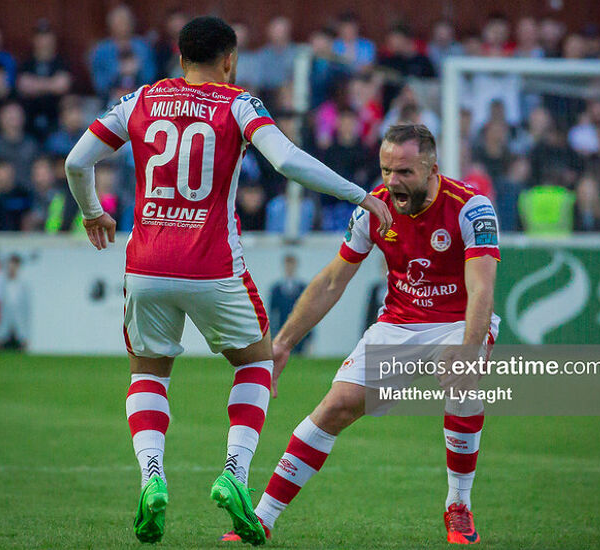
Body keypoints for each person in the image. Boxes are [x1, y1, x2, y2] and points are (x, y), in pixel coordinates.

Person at [63, 16, 391, 545]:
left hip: (145, 265)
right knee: (257, 362)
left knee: (149, 373)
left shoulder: (139, 100)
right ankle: (234, 473)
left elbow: (77, 160)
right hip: (212, 263)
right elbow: (286, 161)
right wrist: (361, 195)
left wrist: (92, 211)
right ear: (230, 59)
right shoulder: (238, 103)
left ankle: (152, 478)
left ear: (178, 55)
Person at [221, 124, 500, 545]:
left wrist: (467, 350)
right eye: (387, 169)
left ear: (431, 168)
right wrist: (282, 343)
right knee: (335, 407)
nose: (392, 181)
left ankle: (458, 506)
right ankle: (260, 519)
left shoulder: (471, 209)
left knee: (459, 379)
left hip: (458, 320)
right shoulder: (374, 209)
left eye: (405, 171)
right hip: (399, 323)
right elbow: (333, 281)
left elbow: (482, 289)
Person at [269, 255, 309, 353]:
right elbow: (272, 314)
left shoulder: (303, 288)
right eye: (287, 265)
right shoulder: (276, 289)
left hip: (299, 334)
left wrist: (309, 337)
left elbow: (309, 313)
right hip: (281, 332)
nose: (289, 268)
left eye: (291, 265)